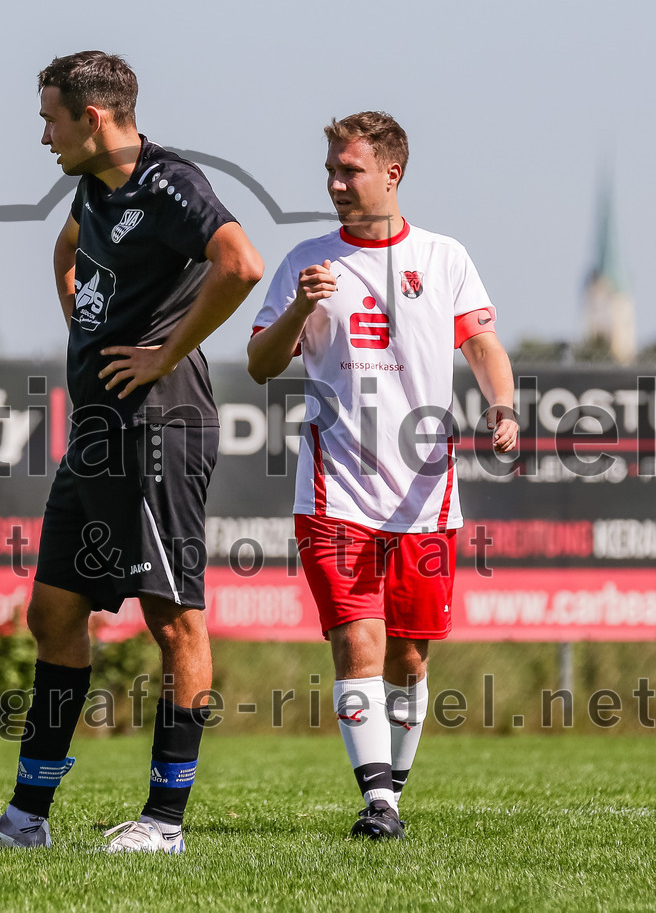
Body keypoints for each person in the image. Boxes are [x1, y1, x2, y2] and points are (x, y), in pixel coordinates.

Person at [0, 51, 263, 853]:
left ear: (96, 118)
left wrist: (162, 352)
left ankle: (165, 823)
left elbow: (241, 263)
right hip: (97, 436)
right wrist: (86, 321)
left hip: (159, 428)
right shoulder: (96, 186)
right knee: (53, 612)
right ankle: (25, 820)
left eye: (51, 117)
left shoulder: (170, 184)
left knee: (173, 619)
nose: (43, 134)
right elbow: (68, 248)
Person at [247, 111, 517, 840]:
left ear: (392, 173)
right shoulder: (307, 259)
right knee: (355, 642)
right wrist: (303, 303)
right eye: (331, 170)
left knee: (409, 653)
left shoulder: (445, 256)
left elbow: (485, 346)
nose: (335, 183)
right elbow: (262, 364)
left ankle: (390, 790)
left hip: (426, 494)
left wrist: (504, 408)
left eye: (350, 170)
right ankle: (378, 802)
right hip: (335, 491)